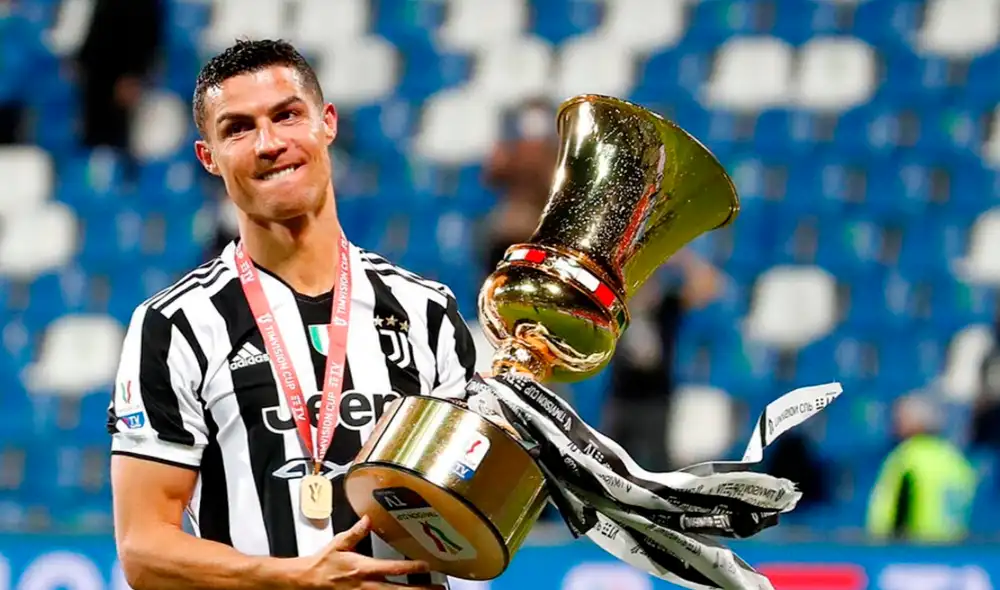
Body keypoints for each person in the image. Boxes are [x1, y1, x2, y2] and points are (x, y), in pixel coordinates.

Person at [107, 40, 476, 590]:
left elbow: (474, 516)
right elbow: (142, 550)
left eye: (286, 115)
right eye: (237, 128)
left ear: (326, 123)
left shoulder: (427, 312)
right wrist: (290, 579)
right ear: (208, 156)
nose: (269, 143)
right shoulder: (174, 326)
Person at [865, 393, 977, 543]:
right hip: (952, 552)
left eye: (901, 418)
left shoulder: (908, 457)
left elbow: (897, 514)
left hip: (911, 552)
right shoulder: (956, 459)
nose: (895, 425)